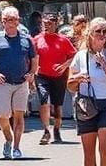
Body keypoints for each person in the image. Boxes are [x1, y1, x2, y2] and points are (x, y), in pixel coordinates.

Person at [67, 17, 106, 166]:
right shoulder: (81, 56)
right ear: (90, 34)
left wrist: (105, 65)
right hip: (86, 104)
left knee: (104, 148)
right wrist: (77, 78)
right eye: (98, 31)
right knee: (89, 151)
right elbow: (70, 86)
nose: (102, 34)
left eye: (105, 31)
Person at [0, 6, 37, 160]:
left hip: (21, 82)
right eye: (6, 20)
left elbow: (34, 58)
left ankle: (16, 147)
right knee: (2, 116)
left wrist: (32, 73)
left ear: (18, 21)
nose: (10, 23)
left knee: (19, 116)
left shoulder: (26, 39)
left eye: (13, 20)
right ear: (3, 22)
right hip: (3, 83)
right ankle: (8, 138)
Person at [34, 12, 76, 145]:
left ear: (56, 25)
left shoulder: (63, 40)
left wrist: (64, 66)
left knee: (58, 105)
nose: (46, 26)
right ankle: (46, 130)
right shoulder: (37, 39)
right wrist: (33, 69)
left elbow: (74, 56)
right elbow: (31, 56)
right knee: (44, 100)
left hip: (59, 76)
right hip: (42, 75)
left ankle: (57, 129)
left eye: (50, 24)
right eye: (44, 24)